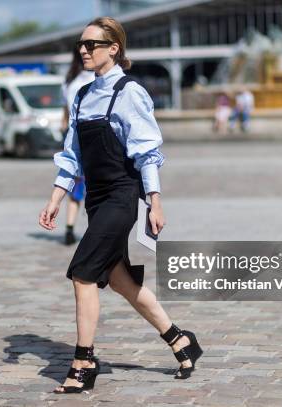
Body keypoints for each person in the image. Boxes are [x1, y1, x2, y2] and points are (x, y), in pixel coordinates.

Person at [39, 16, 203, 394]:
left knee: (82, 273)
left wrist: (155, 202)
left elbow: (147, 152)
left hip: (122, 195)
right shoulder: (81, 95)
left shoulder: (129, 92)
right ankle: (180, 339)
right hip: (96, 197)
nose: (83, 50)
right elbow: (72, 155)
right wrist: (55, 198)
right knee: (119, 280)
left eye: (91, 45)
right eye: (81, 45)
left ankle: (83, 361)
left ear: (114, 49)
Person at [61, 48, 95, 245]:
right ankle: (94, 229)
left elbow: (65, 116)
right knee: (95, 186)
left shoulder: (68, 82)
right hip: (91, 137)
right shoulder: (95, 81)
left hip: (72, 137)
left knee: (74, 183)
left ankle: (69, 228)